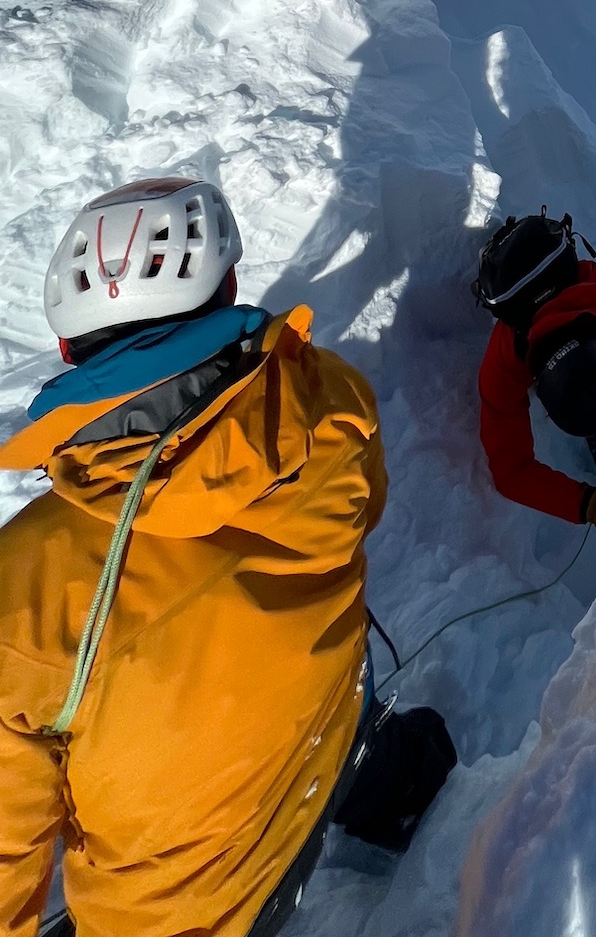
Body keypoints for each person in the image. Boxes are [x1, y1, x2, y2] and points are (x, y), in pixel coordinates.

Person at [0, 176, 407, 937]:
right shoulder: (333, 403)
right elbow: (366, 509)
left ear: (64, 347)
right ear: (229, 288)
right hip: (322, 748)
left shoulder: (26, 585)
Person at [474, 213, 596, 539]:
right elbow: (509, 471)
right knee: (593, 408)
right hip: (595, 324)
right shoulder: (503, 365)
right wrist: (587, 505)